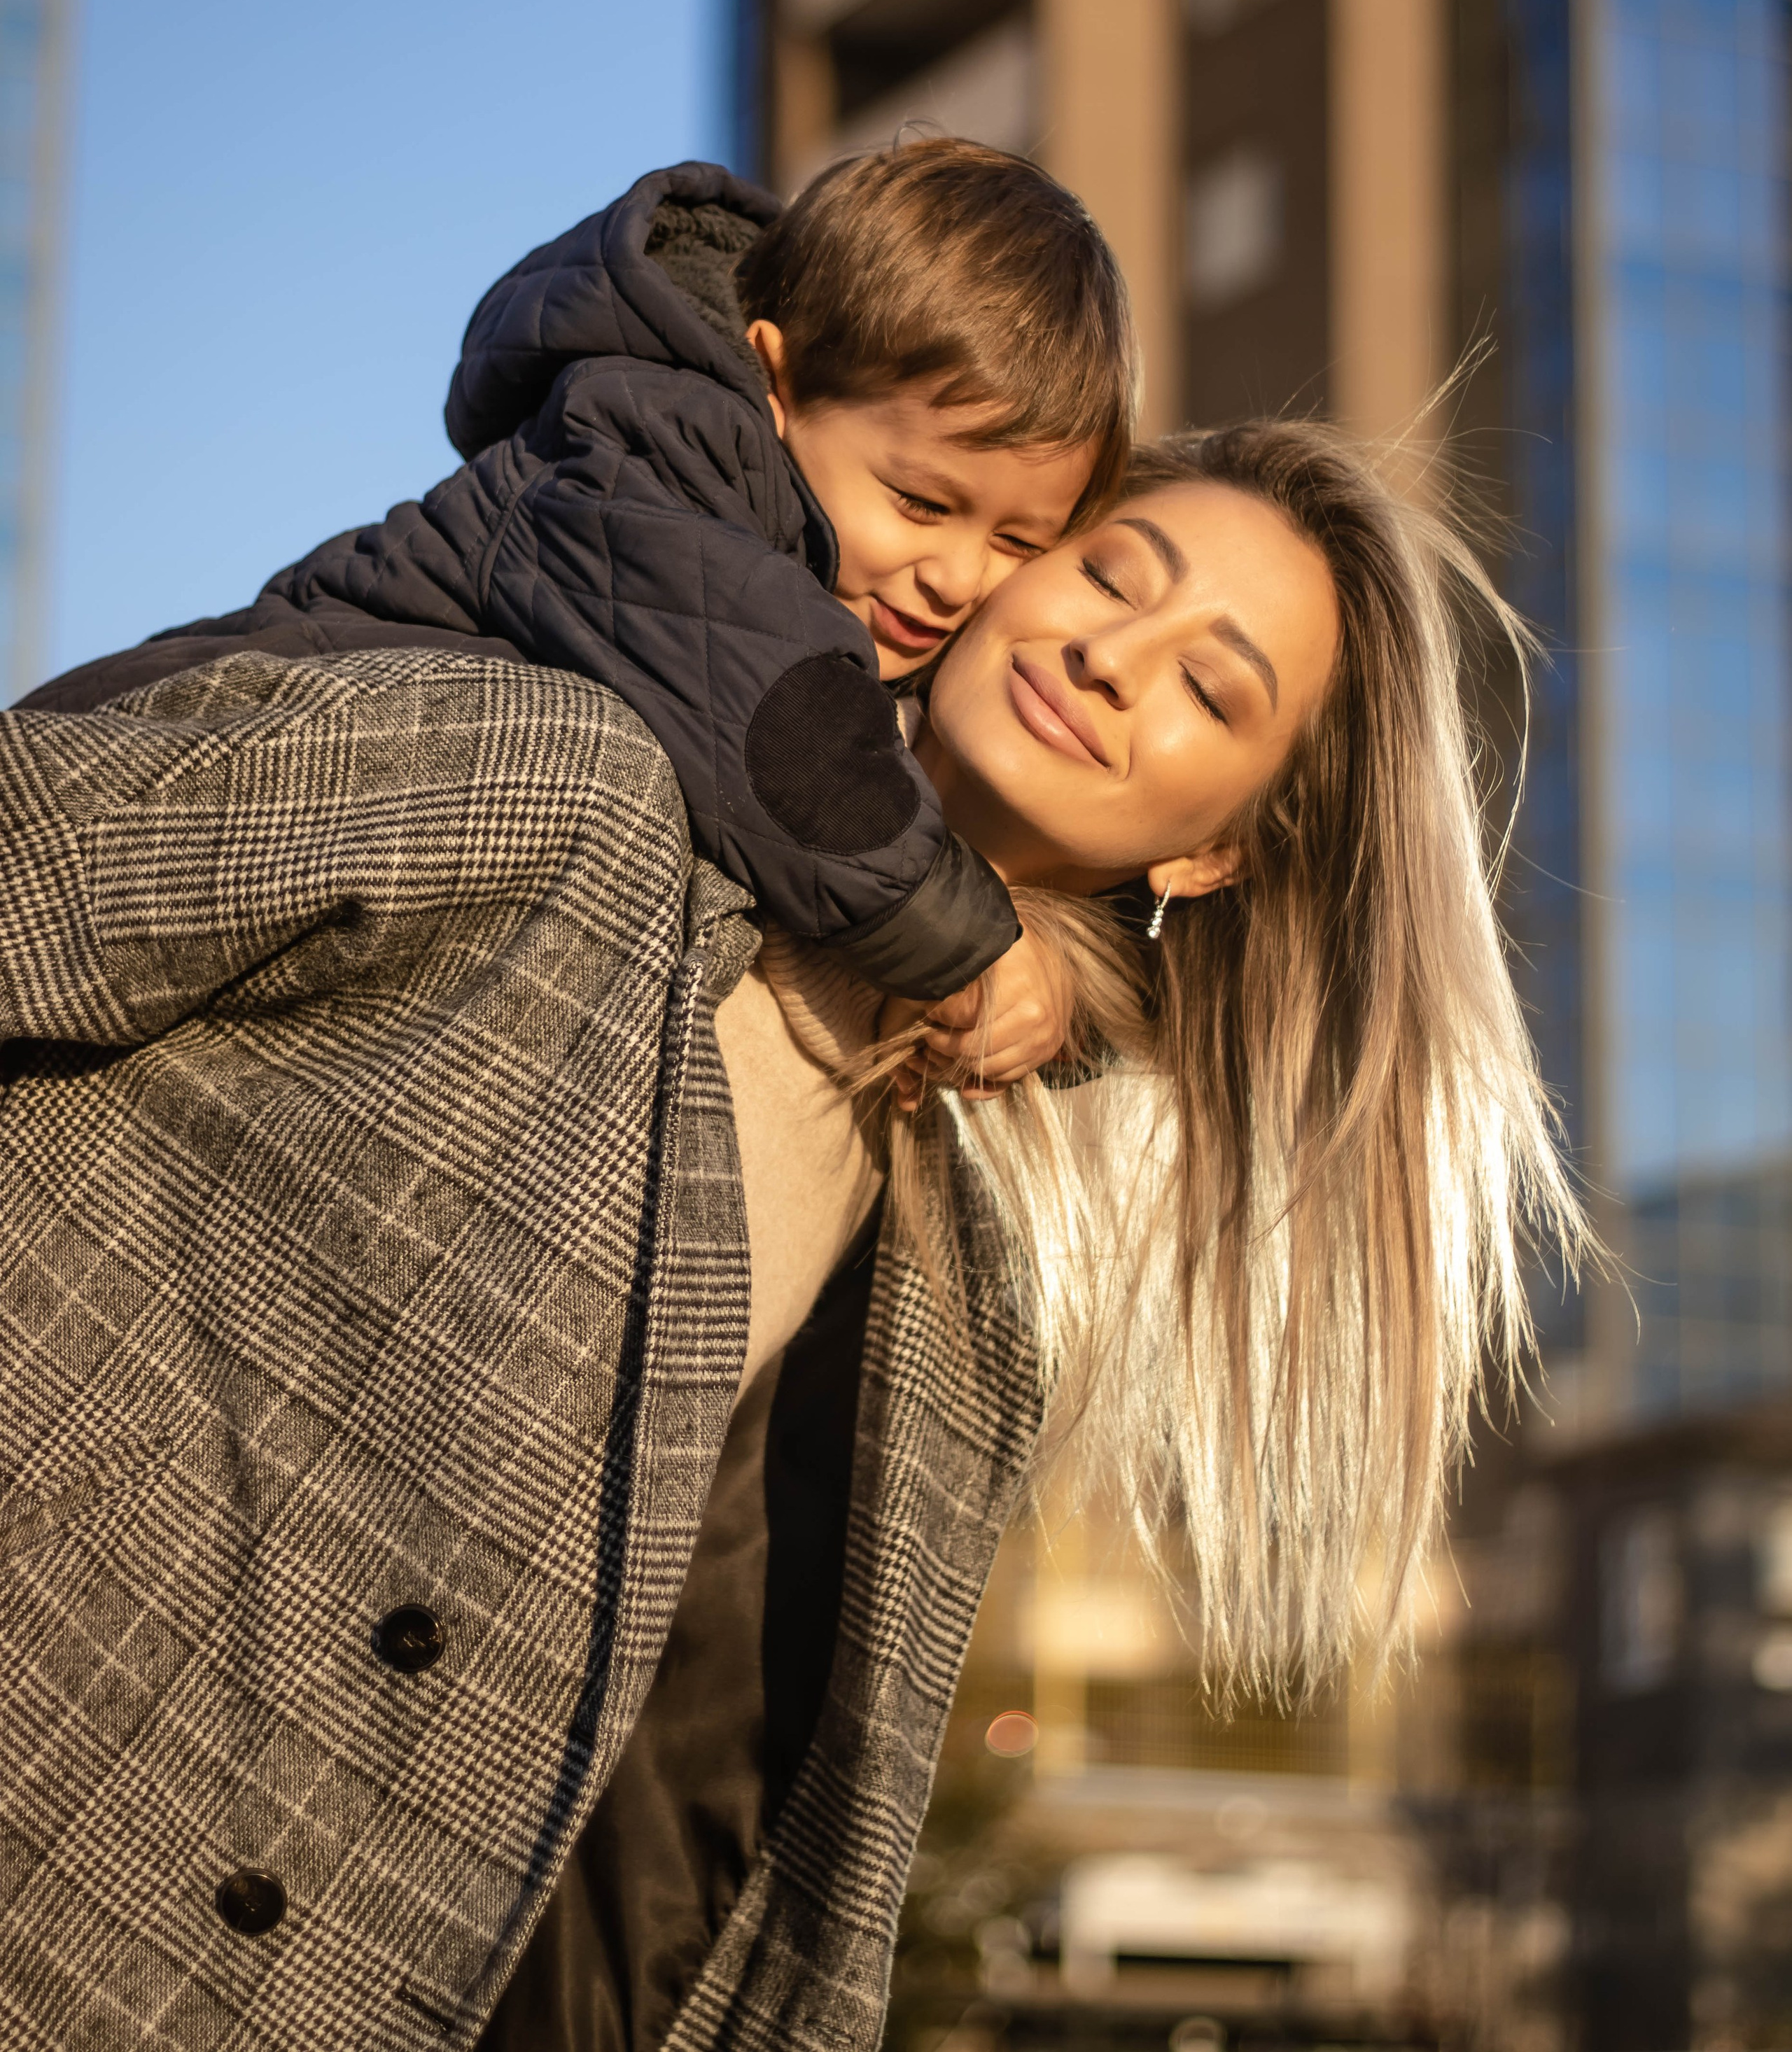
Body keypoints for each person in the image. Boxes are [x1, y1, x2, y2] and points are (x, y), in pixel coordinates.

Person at [0, 416, 1577, 2052]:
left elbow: (737, 1876)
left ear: (1214, 847)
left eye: (1209, 686)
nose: (1114, 658)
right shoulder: (571, 789)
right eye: (1111, 572)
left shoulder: (973, 1273)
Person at [27, 143, 1138, 1088]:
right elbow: (788, 740)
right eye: (922, 502)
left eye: (1016, 542)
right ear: (776, 386)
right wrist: (976, 949)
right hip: (174, 750)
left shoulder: (805, 550)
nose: (956, 575)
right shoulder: (649, 469)